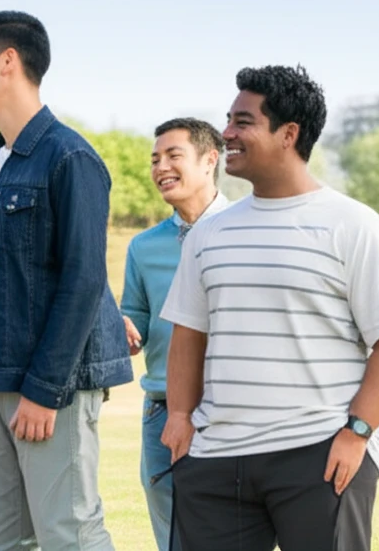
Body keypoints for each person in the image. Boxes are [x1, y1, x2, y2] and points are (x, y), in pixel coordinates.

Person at [159, 65, 379, 551]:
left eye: (243, 121)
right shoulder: (209, 234)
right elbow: (189, 333)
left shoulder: (355, 226)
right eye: (228, 120)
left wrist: (358, 433)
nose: (227, 133)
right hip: (216, 456)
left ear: (289, 134)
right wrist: (178, 416)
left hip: (320, 451)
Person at [0, 10, 133, 550]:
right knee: (4, 543)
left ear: (7, 61)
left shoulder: (70, 157)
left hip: (50, 388)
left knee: (70, 535)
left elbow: (82, 282)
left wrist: (42, 390)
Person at [119, 117, 228, 550]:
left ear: (210, 160)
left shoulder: (246, 227)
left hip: (232, 407)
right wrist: (121, 331)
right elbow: (136, 324)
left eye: (173, 155)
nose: (160, 166)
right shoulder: (143, 247)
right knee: (172, 535)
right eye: (155, 159)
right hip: (162, 412)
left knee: (234, 530)